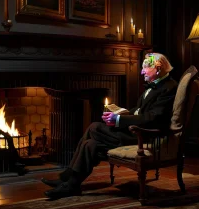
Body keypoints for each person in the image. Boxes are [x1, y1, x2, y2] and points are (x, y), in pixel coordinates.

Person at [42, 52, 178, 199]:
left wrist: (119, 120)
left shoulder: (169, 88)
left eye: (145, 67)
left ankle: (67, 176)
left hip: (144, 135)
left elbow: (153, 118)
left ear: (157, 69)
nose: (141, 71)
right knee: (90, 144)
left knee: (94, 127)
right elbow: (140, 111)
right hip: (134, 130)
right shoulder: (155, 84)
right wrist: (121, 112)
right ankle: (71, 185)